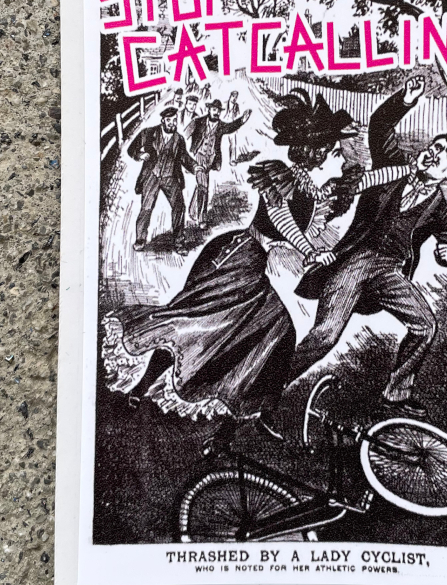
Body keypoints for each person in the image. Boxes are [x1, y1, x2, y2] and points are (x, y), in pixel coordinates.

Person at [102, 89, 358, 452]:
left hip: (254, 265)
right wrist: (308, 249)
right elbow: (280, 219)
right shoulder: (281, 176)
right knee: (192, 322)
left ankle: (232, 427)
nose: (341, 158)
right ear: (319, 154)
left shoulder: (312, 191)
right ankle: (143, 387)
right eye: (336, 153)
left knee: (274, 337)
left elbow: (305, 226)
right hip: (235, 257)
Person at [285, 75, 447, 417]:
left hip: (390, 271)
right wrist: (406, 98)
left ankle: (396, 393)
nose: (436, 154)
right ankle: (271, 385)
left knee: (425, 326)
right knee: (325, 335)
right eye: (436, 147)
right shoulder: (392, 167)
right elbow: (381, 124)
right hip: (355, 261)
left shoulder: (440, 209)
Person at [127, 106, 196, 253]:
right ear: (163, 120)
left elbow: (184, 157)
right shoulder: (148, 133)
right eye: (169, 120)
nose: (172, 123)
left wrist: (195, 167)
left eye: (174, 120)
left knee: (179, 206)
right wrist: (139, 155)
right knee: (146, 207)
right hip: (152, 175)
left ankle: (179, 242)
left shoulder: (178, 139)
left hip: (170, 176)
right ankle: (140, 239)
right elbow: (131, 149)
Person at [187, 99, 252, 228]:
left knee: (202, 185)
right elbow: (185, 133)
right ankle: (201, 219)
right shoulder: (198, 122)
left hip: (211, 159)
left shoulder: (221, 125)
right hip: (199, 156)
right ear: (209, 110)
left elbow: (231, 127)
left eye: (218, 111)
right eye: (214, 110)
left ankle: (193, 210)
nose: (216, 113)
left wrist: (242, 120)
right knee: (203, 186)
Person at [225, 90, 241, 167]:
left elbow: (238, 116)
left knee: (233, 144)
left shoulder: (236, 106)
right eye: (233, 96)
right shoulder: (225, 104)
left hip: (232, 126)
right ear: (230, 96)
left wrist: (236, 126)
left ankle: (232, 160)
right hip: (224, 125)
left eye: (236, 97)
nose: (234, 98)